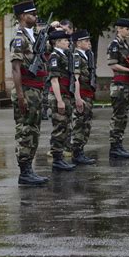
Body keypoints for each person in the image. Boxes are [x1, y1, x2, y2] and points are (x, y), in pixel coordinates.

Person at [10, 0, 50, 185]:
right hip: (26, 89)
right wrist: (20, 95)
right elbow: (16, 69)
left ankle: (29, 169)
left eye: (35, 13)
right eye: (31, 13)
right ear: (22, 16)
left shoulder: (34, 36)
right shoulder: (19, 38)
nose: (35, 16)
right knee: (25, 130)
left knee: (34, 130)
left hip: (36, 89)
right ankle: (24, 171)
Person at [108, 18, 129, 160]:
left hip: (126, 85)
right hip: (119, 85)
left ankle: (119, 144)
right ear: (119, 29)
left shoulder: (125, 45)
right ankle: (114, 147)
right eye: (127, 29)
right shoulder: (114, 45)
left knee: (123, 115)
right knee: (118, 116)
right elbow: (113, 64)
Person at [48, 30, 77, 171]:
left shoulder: (65, 55)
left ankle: (59, 158)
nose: (68, 42)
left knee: (65, 126)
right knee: (59, 128)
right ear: (57, 42)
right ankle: (57, 159)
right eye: (65, 40)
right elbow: (54, 80)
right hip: (58, 96)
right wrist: (59, 101)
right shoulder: (54, 56)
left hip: (66, 95)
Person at [71, 30, 97, 165]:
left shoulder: (86, 55)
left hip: (87, 94)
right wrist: (77, 98)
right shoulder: (76, 57)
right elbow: (76, 79)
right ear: (78, 43)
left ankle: (80, 150)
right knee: (79, 124)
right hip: (81, 94)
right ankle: (77, 153)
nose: (89, 43)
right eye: (86, 41)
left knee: (86, 124)